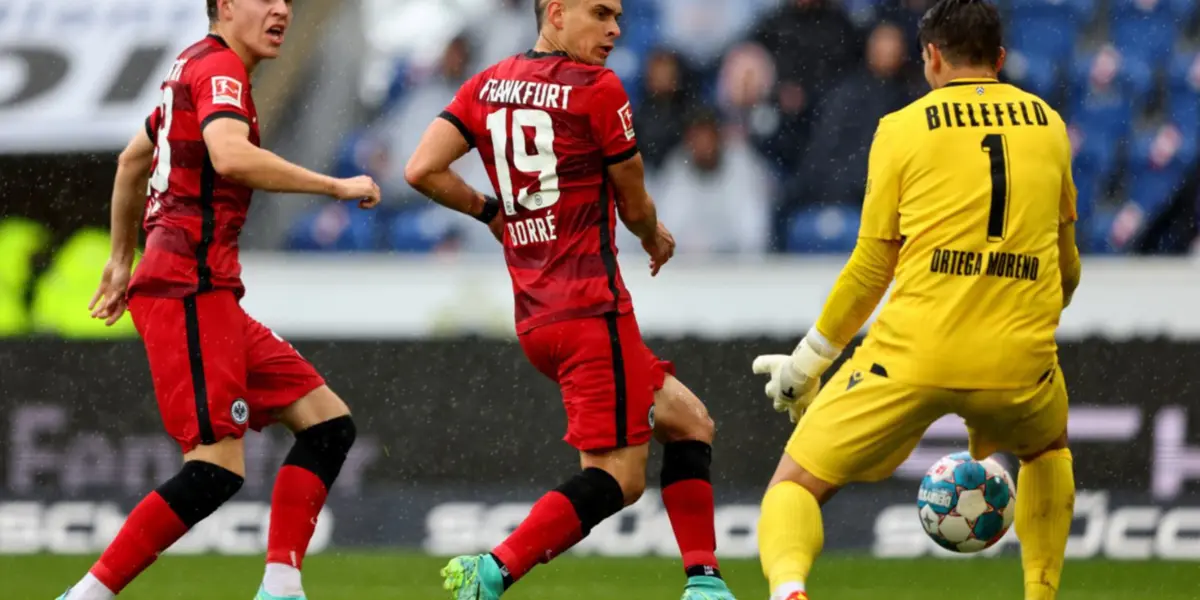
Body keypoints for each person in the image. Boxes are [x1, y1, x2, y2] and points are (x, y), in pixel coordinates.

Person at [403, 2, 737, 600]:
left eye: (618, 16)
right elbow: (634, 202)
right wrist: (652, 235)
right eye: (600, 14)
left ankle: (703, 581)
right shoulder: (597, 87)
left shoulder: (486, 83)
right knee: (619, 479)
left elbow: (422, 168)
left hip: (538, 317)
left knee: (691, 424)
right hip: (591, 312)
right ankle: (492, 571)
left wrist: (491, 214)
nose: (615, 29)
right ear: (555, 13)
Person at [750, 1, 1081, 599]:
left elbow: (871, 268)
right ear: (1000, 60)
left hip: (911, 356)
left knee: (794, 486)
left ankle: (791, 591)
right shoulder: (1051, 126)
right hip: (1017, 361)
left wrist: (806, 365)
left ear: (930, 57)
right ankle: (1041, 593)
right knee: (1047, 449)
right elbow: (1068, 269)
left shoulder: (901, 127)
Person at [62, 1, 382, 600]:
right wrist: (333, 184)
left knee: (328, 426)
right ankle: (86, 596)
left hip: (205, 291)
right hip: (188, 287)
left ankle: (280, 588)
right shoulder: (220, 71)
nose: (282, 9)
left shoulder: (189, 67)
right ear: (226, 6)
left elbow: (134, 159)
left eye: (287, 0)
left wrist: (120, 257)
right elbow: (229, 155)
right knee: (214, 467)